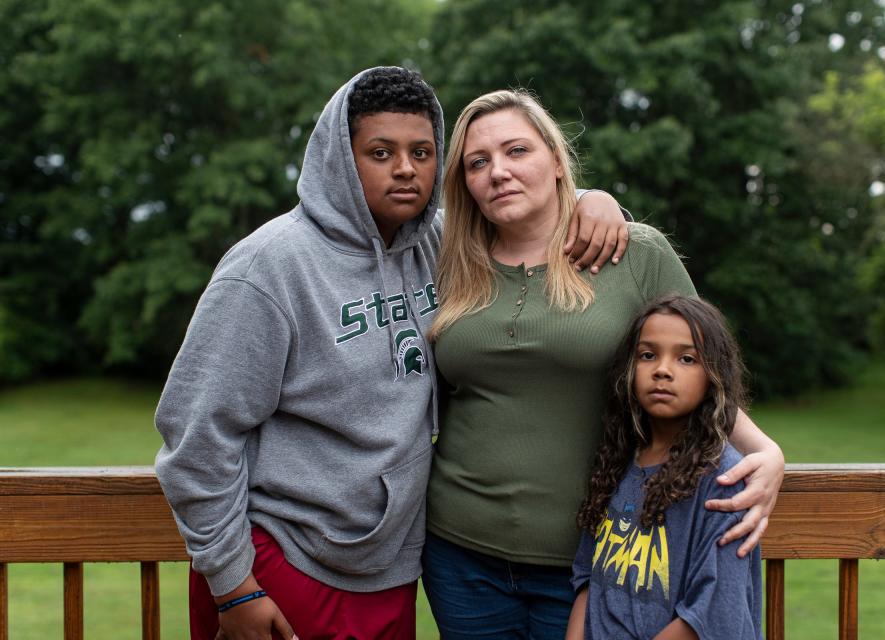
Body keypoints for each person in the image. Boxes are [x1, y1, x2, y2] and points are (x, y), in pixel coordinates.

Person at [154, 67, 628, 640]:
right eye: (380, 152)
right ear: (340, 159)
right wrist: (233, 586)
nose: (405, 168)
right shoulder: (269, 269)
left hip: (387, 565)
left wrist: (592, 200)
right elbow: (196, 436)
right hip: (280, 558)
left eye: (422, 151)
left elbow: (523, 203)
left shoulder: (438, 245)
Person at [422, 89, 783, 639]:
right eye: (478, 162)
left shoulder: (632, 252)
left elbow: (701, 366)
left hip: (592, 562)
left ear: (557, 160)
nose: (498, 171)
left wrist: (766, 452)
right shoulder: (447, 258)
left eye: (517, 150)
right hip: (459, 554)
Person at [566, 296, 762, 640]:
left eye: (686, 359)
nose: (662, 369)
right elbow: (587, 580)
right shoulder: (616, 464)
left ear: (713, 375)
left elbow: (713, 615)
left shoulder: (724, 480)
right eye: (648, 355)